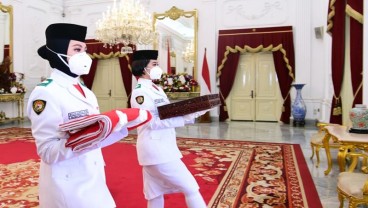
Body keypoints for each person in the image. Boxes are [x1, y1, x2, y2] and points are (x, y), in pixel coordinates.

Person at [26, 23, 130, 208]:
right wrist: (88, 137)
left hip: (93, 174)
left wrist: (118, 126)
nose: (85, 55)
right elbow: (48, 152)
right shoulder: (46, 93)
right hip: (67, 182)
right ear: (58, 52)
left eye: (85, 49)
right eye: (77, 49)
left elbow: (95, 137)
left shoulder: (85, 91)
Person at [130, 50, 207, 208]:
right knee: (191, 188)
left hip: (161, 147)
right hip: (156, 150)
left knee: (155, 193)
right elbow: (150, 122)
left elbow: (166, 113)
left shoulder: (155, 88)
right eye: (154, 64)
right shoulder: (140, 92)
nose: (158, 67)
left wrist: (190, 112)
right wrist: (183, 119)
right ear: (143, 67)